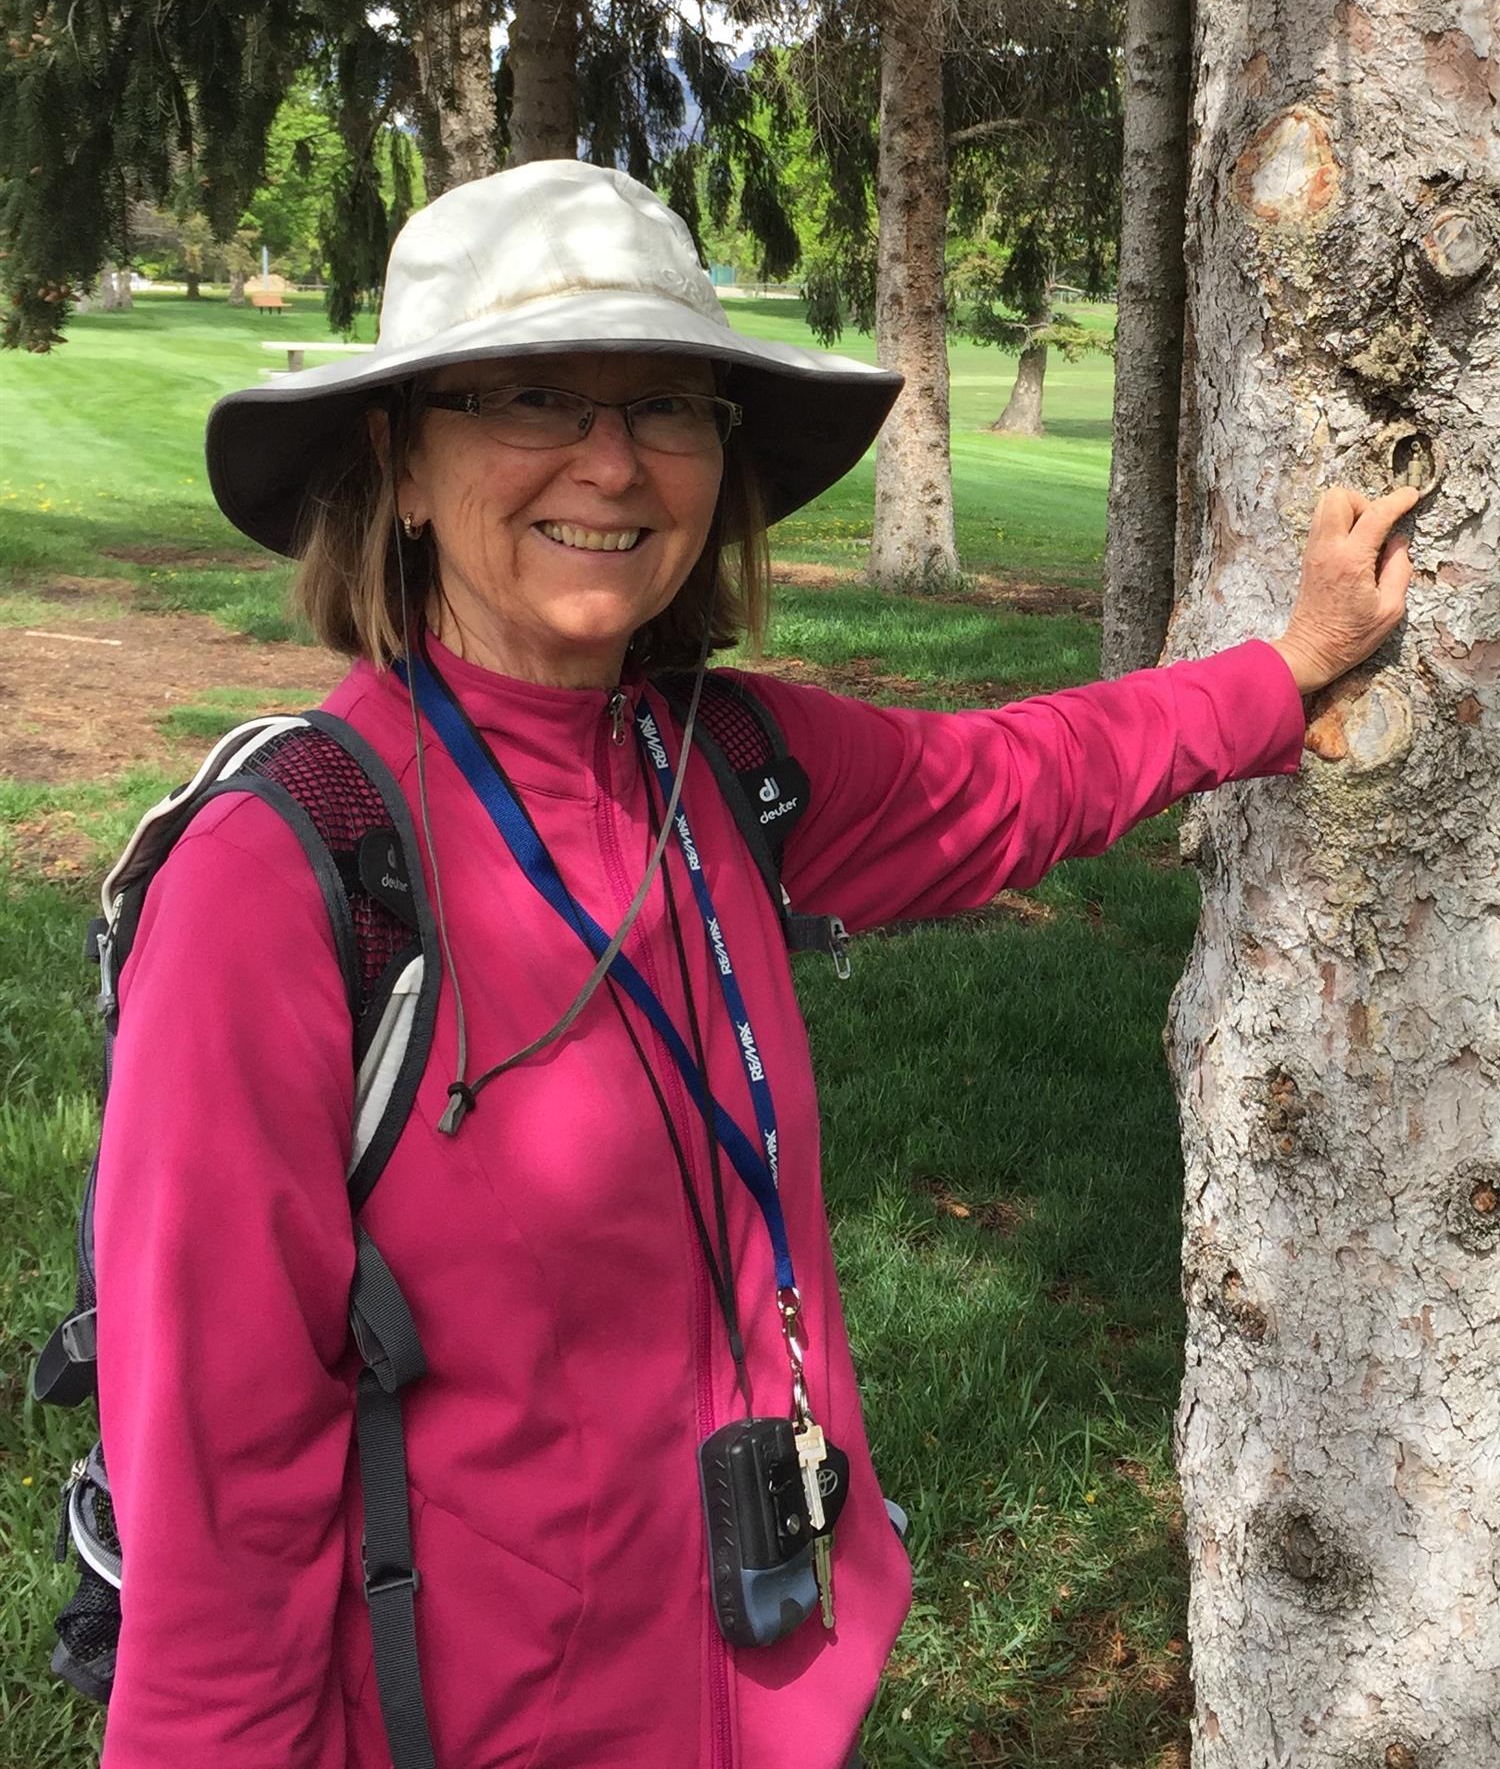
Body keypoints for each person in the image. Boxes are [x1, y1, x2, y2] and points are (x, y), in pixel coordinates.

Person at [94, 160, 1417, 1768]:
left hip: (772, 1693)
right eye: (531, 397)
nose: (610, 459)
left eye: (666, 403)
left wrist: (1283, 673)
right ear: (404, 464)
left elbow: (1014, 779)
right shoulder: (282, 874)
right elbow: (215, 1507)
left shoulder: (722, 766)